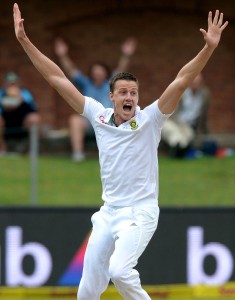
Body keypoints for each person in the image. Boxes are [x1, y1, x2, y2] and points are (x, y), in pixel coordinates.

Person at [13, 3, 228, 299]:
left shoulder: (150, 119)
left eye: (134, 92)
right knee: (87, 291)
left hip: (140, 213)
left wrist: (208, 49)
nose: (129, 97)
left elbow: (181, 81)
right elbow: (57, 78)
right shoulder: (99, 117)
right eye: (123, 93)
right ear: (112, 97)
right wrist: (24, 40)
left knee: (120, 271)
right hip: (108, 213)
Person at [54, 36, 137, 161]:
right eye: (95, 71)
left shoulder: (111, 83)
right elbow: (72, 71)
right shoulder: (86, 83)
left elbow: (121, 69)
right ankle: (78, 154)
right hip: (90, 122)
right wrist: (62, 55)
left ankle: (118, 156)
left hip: (110, 121)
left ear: (105, 72)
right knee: (75, 120)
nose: (98, 73)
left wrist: (126, 55)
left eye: (100, 71)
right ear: (91, 73)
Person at [161, 73, 211, 157]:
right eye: (194, 81)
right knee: (172, 132)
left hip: (188, 126)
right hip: (174, 122)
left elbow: (204, 116)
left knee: (188, 135)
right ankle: (177, 148)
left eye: (198, 81)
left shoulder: (204, 95)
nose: (195, 83)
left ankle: (180, 150)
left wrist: (206, 132)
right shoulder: (180, 92)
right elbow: (171, 111)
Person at [0, 71, 41, 154]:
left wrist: (20, 99)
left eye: (14, 83)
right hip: (6, 124)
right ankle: (2, 149)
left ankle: (32, 150)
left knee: (34, 118)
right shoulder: (1, 93)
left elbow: (34, 109)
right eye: (9, 83)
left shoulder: (25, 93)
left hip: (22, 124)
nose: (12, 85)